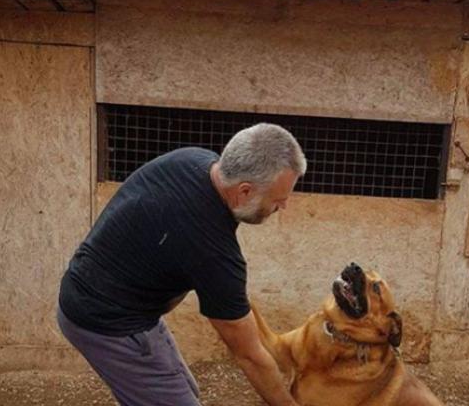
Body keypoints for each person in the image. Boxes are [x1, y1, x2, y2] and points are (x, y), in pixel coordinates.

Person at [57, 122, 307, 406]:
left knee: (185, 390)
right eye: (278, 199)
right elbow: (249, 355)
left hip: (98, 288)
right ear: (245, 191)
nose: (283, 206)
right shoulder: (214, 252)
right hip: (105, 321)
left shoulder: (192, 159)